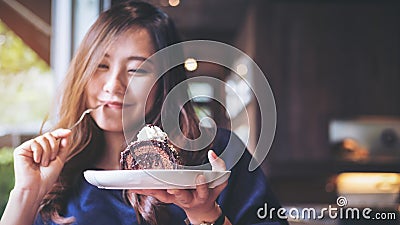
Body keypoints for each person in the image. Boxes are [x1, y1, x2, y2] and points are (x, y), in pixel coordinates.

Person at [0, 1, 287, 225]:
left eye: (136, 70)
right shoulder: (59, 171)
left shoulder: (214, 155)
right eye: (101, 66)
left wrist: (204, 213)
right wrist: (27, 193)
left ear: (165, 81)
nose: (113, 86)